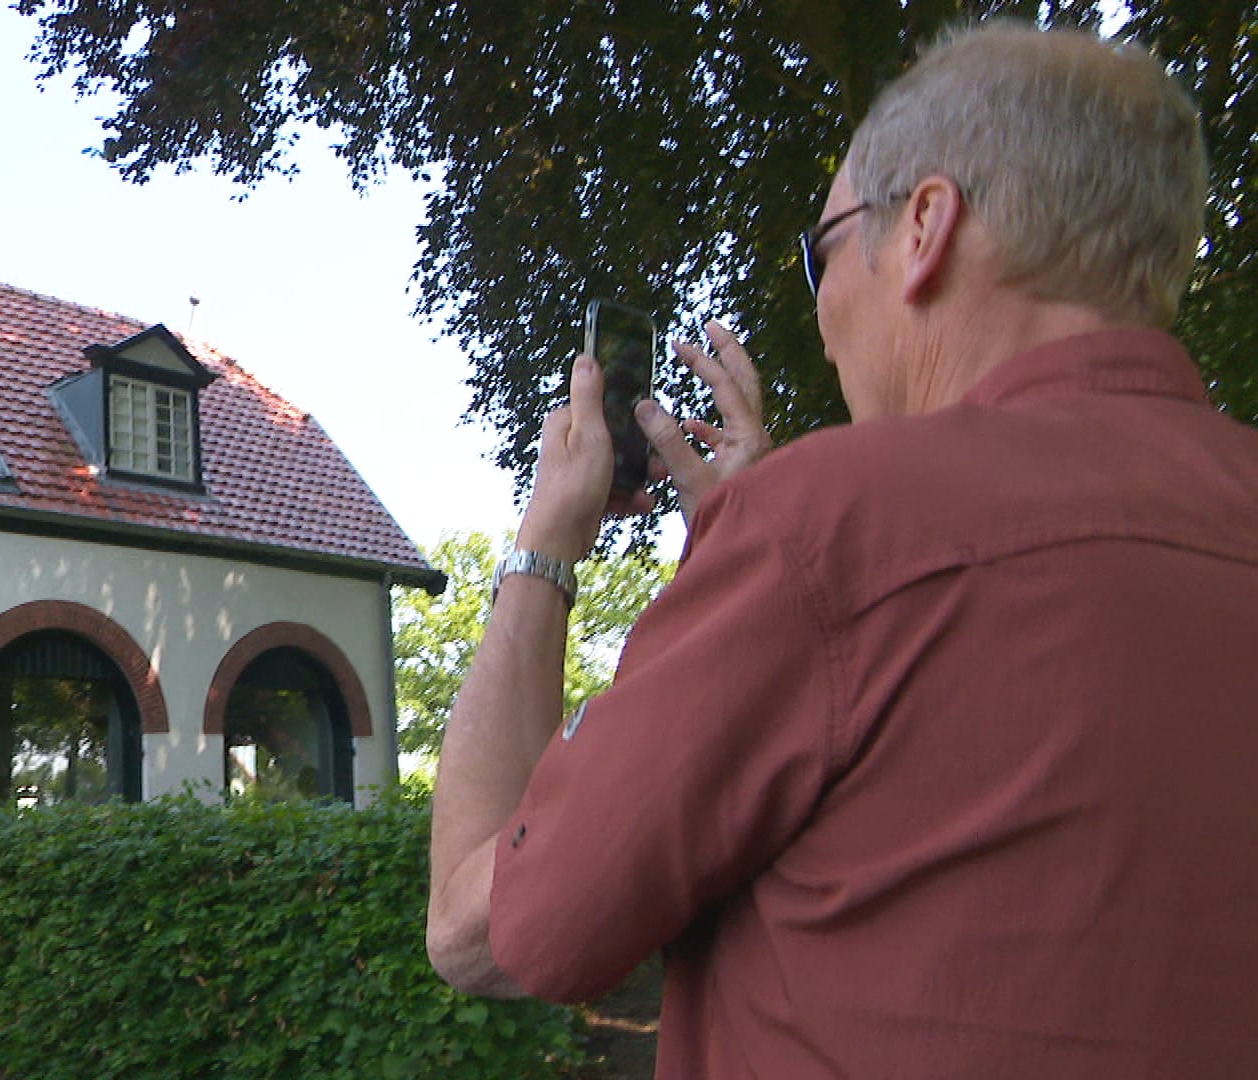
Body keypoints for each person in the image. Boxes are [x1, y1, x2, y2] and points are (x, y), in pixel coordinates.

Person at [426, 21, 1258, 1078]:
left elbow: (482, 928)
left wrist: (547, 543)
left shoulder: (829, 530)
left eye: (821, 254)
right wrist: (760, 547)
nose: (822, 319)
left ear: (926, 228)